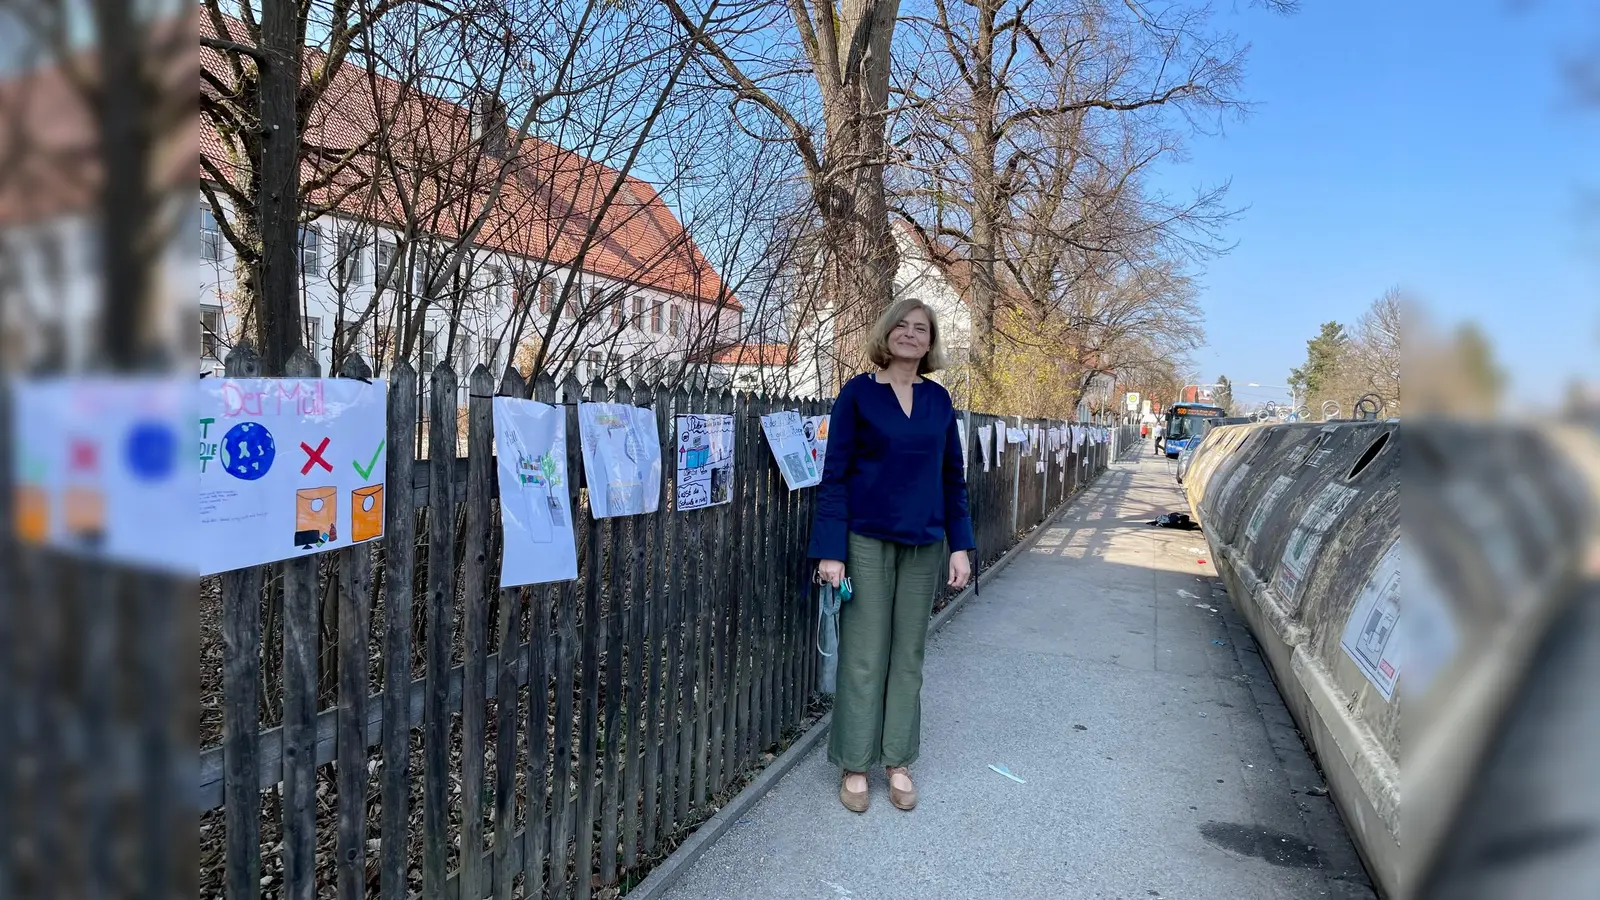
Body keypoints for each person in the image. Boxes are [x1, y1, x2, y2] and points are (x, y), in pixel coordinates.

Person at [811, 297, 974, 814]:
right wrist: (831, 551)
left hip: (924, 543)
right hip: (865, 541)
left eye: (920, 328)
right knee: (864, 655)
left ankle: (898, 761)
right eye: (901, 326)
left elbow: (952, 478)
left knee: (908, 656)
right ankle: (855, 765)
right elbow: (835, 476)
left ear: (930, 342)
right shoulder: (858, 394)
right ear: (886, 333)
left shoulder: (939, 401)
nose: (909, 334)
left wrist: (961, 546)